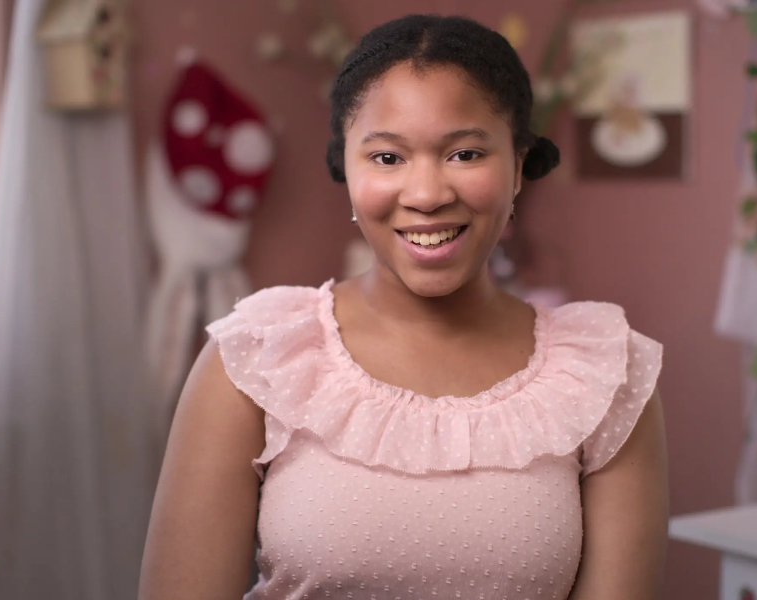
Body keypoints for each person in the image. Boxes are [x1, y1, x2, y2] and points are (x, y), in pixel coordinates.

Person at [140, 14, 668, 600]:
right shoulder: (256, 358)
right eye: (388, 158)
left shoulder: (602, 376)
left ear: (518, 166)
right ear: (348, 168)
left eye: (465, 154)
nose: (426, 195)